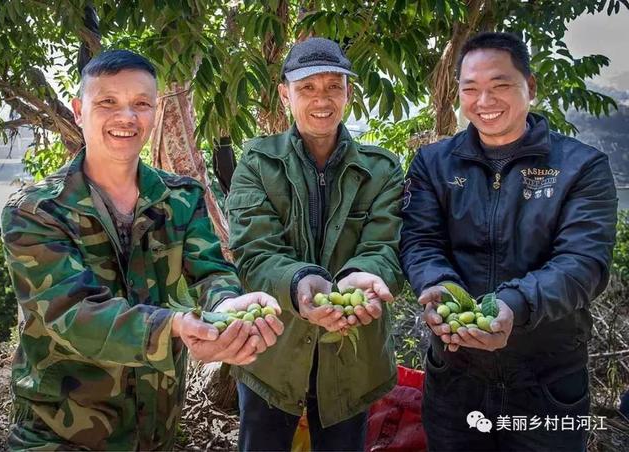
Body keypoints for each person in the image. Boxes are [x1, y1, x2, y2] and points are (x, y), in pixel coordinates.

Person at [1, 49, 284, 450]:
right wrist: (177, 327)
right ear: (79, 111)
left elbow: (211, 271)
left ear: (154, 111)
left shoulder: (181, 197)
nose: (126, 117)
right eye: (108, 102)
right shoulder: (37, 210)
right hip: (59, 435)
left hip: (156, 432)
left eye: (141, 104)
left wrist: (224, 308)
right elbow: (71, 313)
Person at [400, 31, 617, 451]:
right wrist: (438, 285)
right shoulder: (433, 163)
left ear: (530, 87)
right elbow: (420, 240)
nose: (485, 101)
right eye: (471, 89)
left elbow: (582, 263)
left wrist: (513, 306)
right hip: (456, 377)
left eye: (500, 85)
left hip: (548, 382)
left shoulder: (581, 167)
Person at [226, 37, 405, 451]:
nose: (321, 99)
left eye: (333, 86)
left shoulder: (381, 170)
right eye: (307, 87)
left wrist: (364, 278)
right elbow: (255, 253)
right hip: (270, 350)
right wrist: (300, 282)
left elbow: (387, 246)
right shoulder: (257, 163)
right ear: (285, 94)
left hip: (352, 354)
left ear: (348, 94)